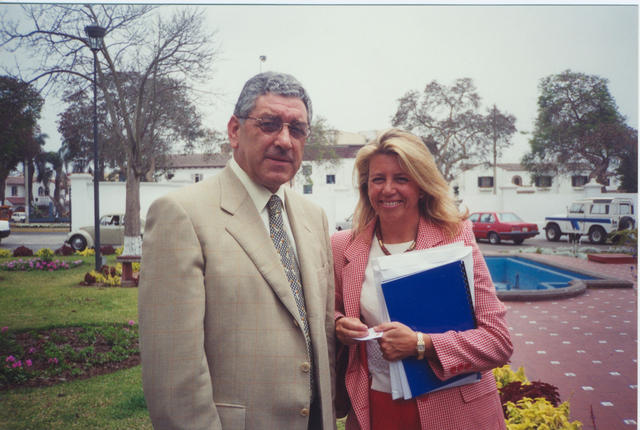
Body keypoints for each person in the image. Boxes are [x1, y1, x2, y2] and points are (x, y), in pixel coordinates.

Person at [139, 71, 336, 430]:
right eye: (269, 124)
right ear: (234, 131)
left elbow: (319, 328)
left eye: (297, 129)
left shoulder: (314, 217)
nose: (285, 141)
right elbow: (173, 377)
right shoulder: (181, 214)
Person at [332, 128, 513, 430]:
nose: (388, 189)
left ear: (421, 186)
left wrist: (422, 344)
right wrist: (340, 325)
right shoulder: (342, 247)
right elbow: (330, 314)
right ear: (366, 187)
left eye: (401, 179)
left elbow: (498, 342)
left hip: (455, 412)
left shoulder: (456, 238)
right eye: (378, 179)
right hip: (377, 407)